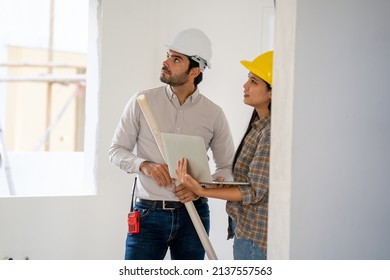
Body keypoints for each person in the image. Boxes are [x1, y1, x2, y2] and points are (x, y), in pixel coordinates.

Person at [109, 28, 235, 260]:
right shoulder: (142, 101)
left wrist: (201, 189)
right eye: (168, 55)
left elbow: (226, 168)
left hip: (194, 214)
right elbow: (116, 151)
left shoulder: (213, 114)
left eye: (176, 59)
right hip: (148, 214)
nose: (165, 62)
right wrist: (145, 165)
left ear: (194, 70)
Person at [175, 51, 273, 260]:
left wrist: (201, 190)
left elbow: (254, 192)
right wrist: (214, 184)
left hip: (256, 237)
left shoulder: (270, 133)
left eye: (253, 81)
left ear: (272, 92)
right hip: (246, 231)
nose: (245, 86)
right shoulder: (258, 127)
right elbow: (249, 183)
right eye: (248, 79)